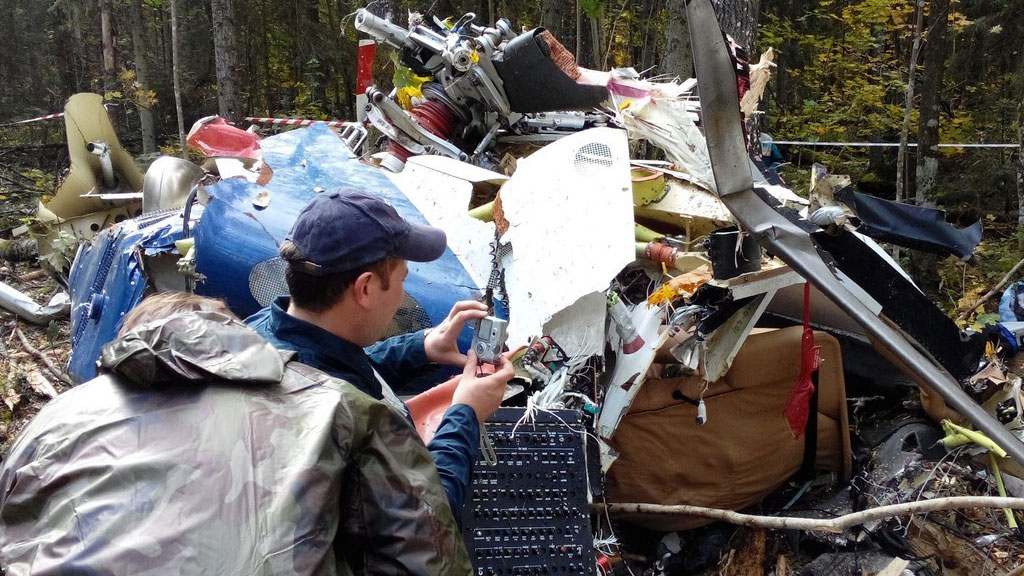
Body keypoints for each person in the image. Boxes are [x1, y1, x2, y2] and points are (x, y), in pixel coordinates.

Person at [0, 292, 471, 575]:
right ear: (233, 336)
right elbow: (430, 555)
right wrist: (464, 415)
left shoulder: (53, 419)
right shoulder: (334, 406)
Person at [246, 189, 514, 520]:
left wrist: (423, 348)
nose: (403, 296)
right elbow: (430, 524)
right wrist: (466, 415)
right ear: (366, 288)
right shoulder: (335, 420)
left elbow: (338, 368)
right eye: (402, 280)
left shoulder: (264, 331)